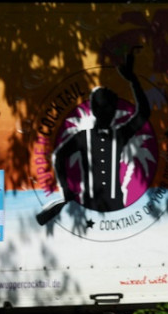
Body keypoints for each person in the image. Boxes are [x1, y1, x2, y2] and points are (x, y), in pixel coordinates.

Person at [37, 48, 152, 225]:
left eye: (110, 108)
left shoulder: (120, 135)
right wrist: (66, 188)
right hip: (91, 207)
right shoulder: (83, 138)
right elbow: (59, 156)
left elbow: (144, 112)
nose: (108, 111)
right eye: (104, 107)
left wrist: (133, 81)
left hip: (115, 206)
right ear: (95, 110)